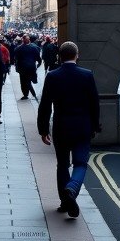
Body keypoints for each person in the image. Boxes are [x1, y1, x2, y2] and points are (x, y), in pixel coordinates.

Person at [37, 41, 101, 218]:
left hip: (61, 127)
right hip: (82, 127)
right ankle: (71, 189)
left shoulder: (52, 76)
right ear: (77, 55)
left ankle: (65, 203)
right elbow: (94, 104)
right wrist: (95, 126)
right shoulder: (87, 75)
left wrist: (43, 129)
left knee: (63, 165)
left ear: (59, 56)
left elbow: (45, 106)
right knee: (80, 163)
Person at [14, 34, 42, 100]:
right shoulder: (34, 48)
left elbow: (16, 58)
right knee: (29, 80)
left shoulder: (18, 48)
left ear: (22, 40)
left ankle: (25, 94)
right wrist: (38, 64)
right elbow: (38, 58)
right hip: (31, 67)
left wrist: (17, 67)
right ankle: (33, 91)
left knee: (23, 81)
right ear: (28, 40)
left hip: (22, 68)